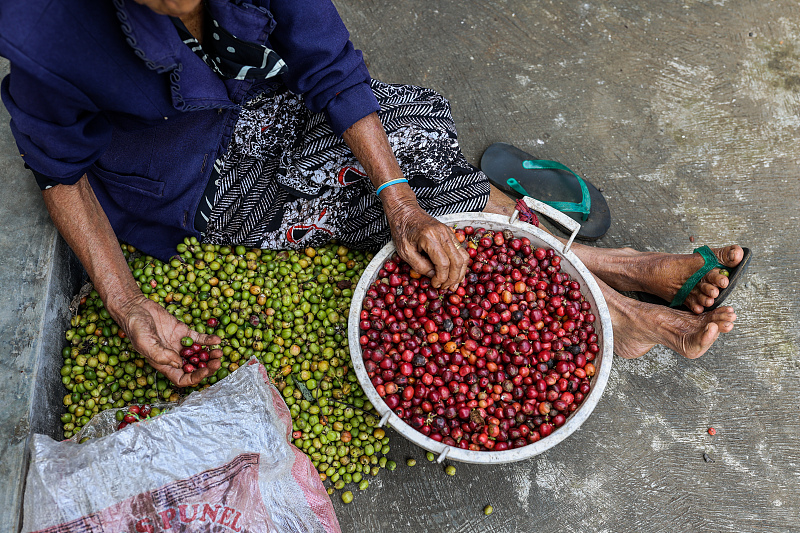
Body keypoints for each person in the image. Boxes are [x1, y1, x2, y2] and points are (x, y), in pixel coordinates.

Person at [0, 0, 744, 388]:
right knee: (396, 200)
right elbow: (58, 170)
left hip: (262, 101)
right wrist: (127, 304)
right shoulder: (48, 29)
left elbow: (328, 64)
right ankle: (617, 307)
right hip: (188, 174)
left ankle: (613, 266)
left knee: (412, 144)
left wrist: (400, 200)